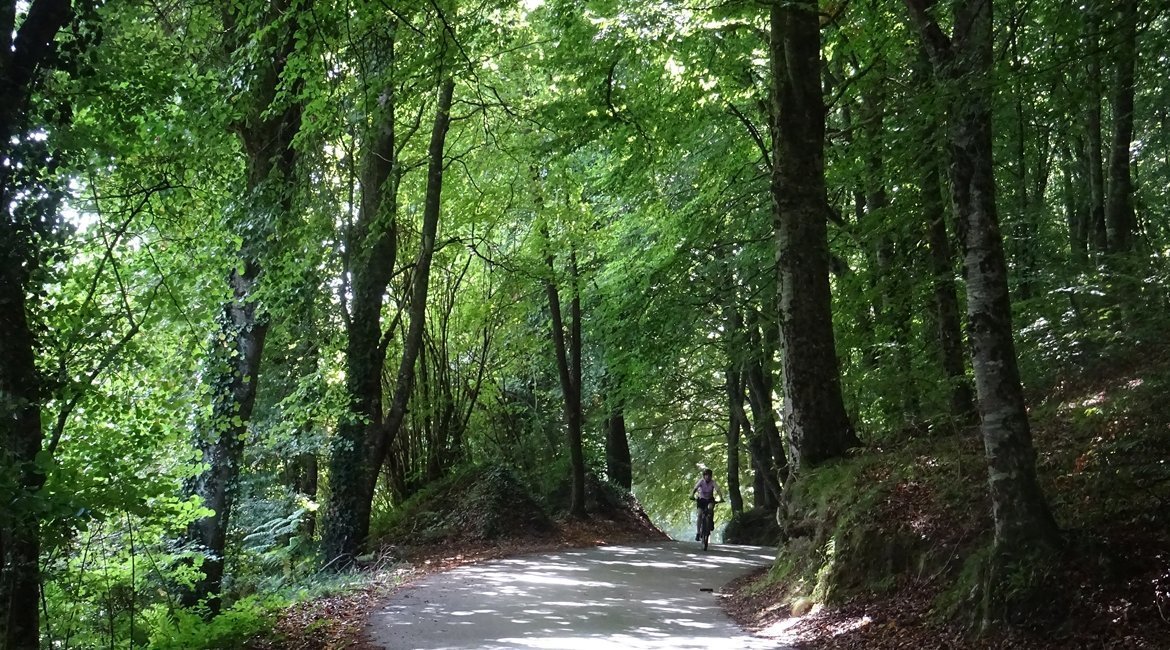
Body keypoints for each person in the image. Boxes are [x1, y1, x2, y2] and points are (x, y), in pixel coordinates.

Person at [690, 468, 721, 541]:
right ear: (704, 476)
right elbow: (695, 488)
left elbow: (718, 490)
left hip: (710, 499)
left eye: (709, 476)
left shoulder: (713, 482)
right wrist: (692, 495)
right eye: (706, 475)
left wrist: (721, 497)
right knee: (700, 514)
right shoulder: (701, 481)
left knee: (710, 509)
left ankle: (711, 522)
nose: (708, 477)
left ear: (711, 476)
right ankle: (698, 533)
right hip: (701, 500)